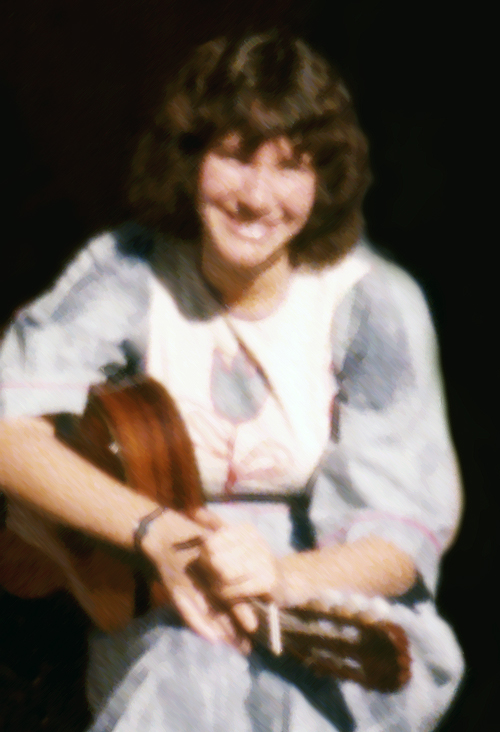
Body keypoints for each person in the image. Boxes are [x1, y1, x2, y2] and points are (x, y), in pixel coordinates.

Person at [0, 32, 464, 732]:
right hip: (158, 587)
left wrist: (282, 578)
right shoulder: (127, 272)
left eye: (291, 166)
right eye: (236, 156)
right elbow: (10, 432)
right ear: (189, 159)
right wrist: (157, 534)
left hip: (323, 589)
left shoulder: (372, 304)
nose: (256, 196)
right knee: (190, 665)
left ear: (324, 180)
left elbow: (399, 538)